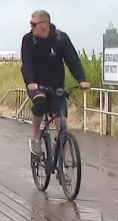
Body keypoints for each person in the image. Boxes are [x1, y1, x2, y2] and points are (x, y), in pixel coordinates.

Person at [20, 10, 90, 155]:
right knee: (40, 103)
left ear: (44, 25)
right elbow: (26, 63)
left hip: (56, 84)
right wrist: (30, 81)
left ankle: (65, 155)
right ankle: (36, 137)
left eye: (33, 24)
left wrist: (81, 79)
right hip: (37, 84)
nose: (31, 27)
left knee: (61, 120)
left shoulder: (60, 38)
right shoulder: (28, 39)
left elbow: (73, 60)